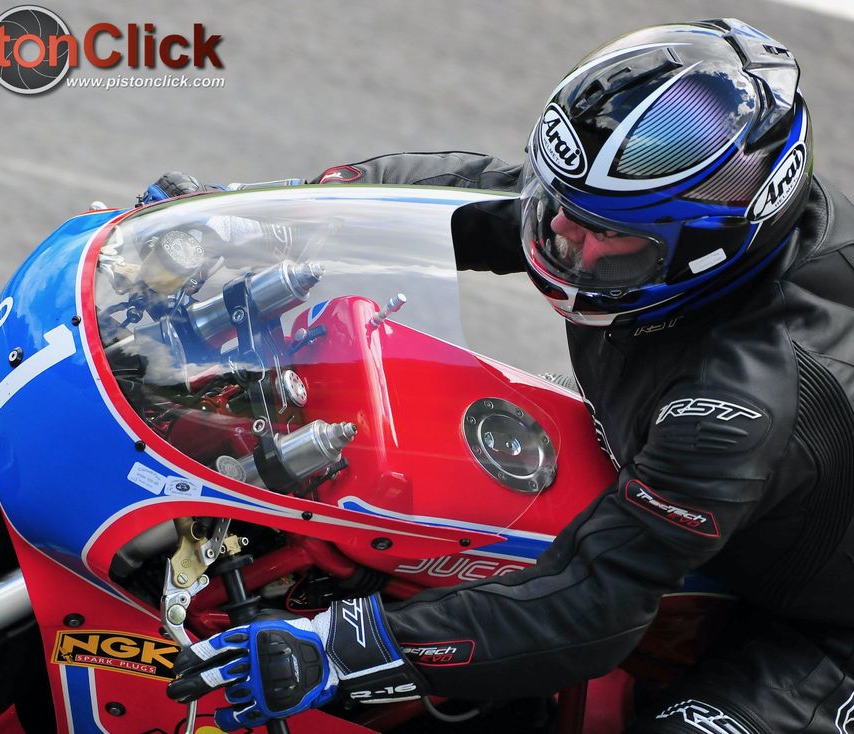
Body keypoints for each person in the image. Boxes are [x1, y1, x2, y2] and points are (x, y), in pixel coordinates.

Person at [147, 19, 854, 733]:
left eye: (606, 235)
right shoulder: (633, 217)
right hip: (732, 501)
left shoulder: (739, 401)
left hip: (827, 631)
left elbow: (594, 602)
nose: (563, 239)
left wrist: (340, 647)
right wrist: (244, 219)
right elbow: (466, 203)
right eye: (562, 207)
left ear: (709, 247)